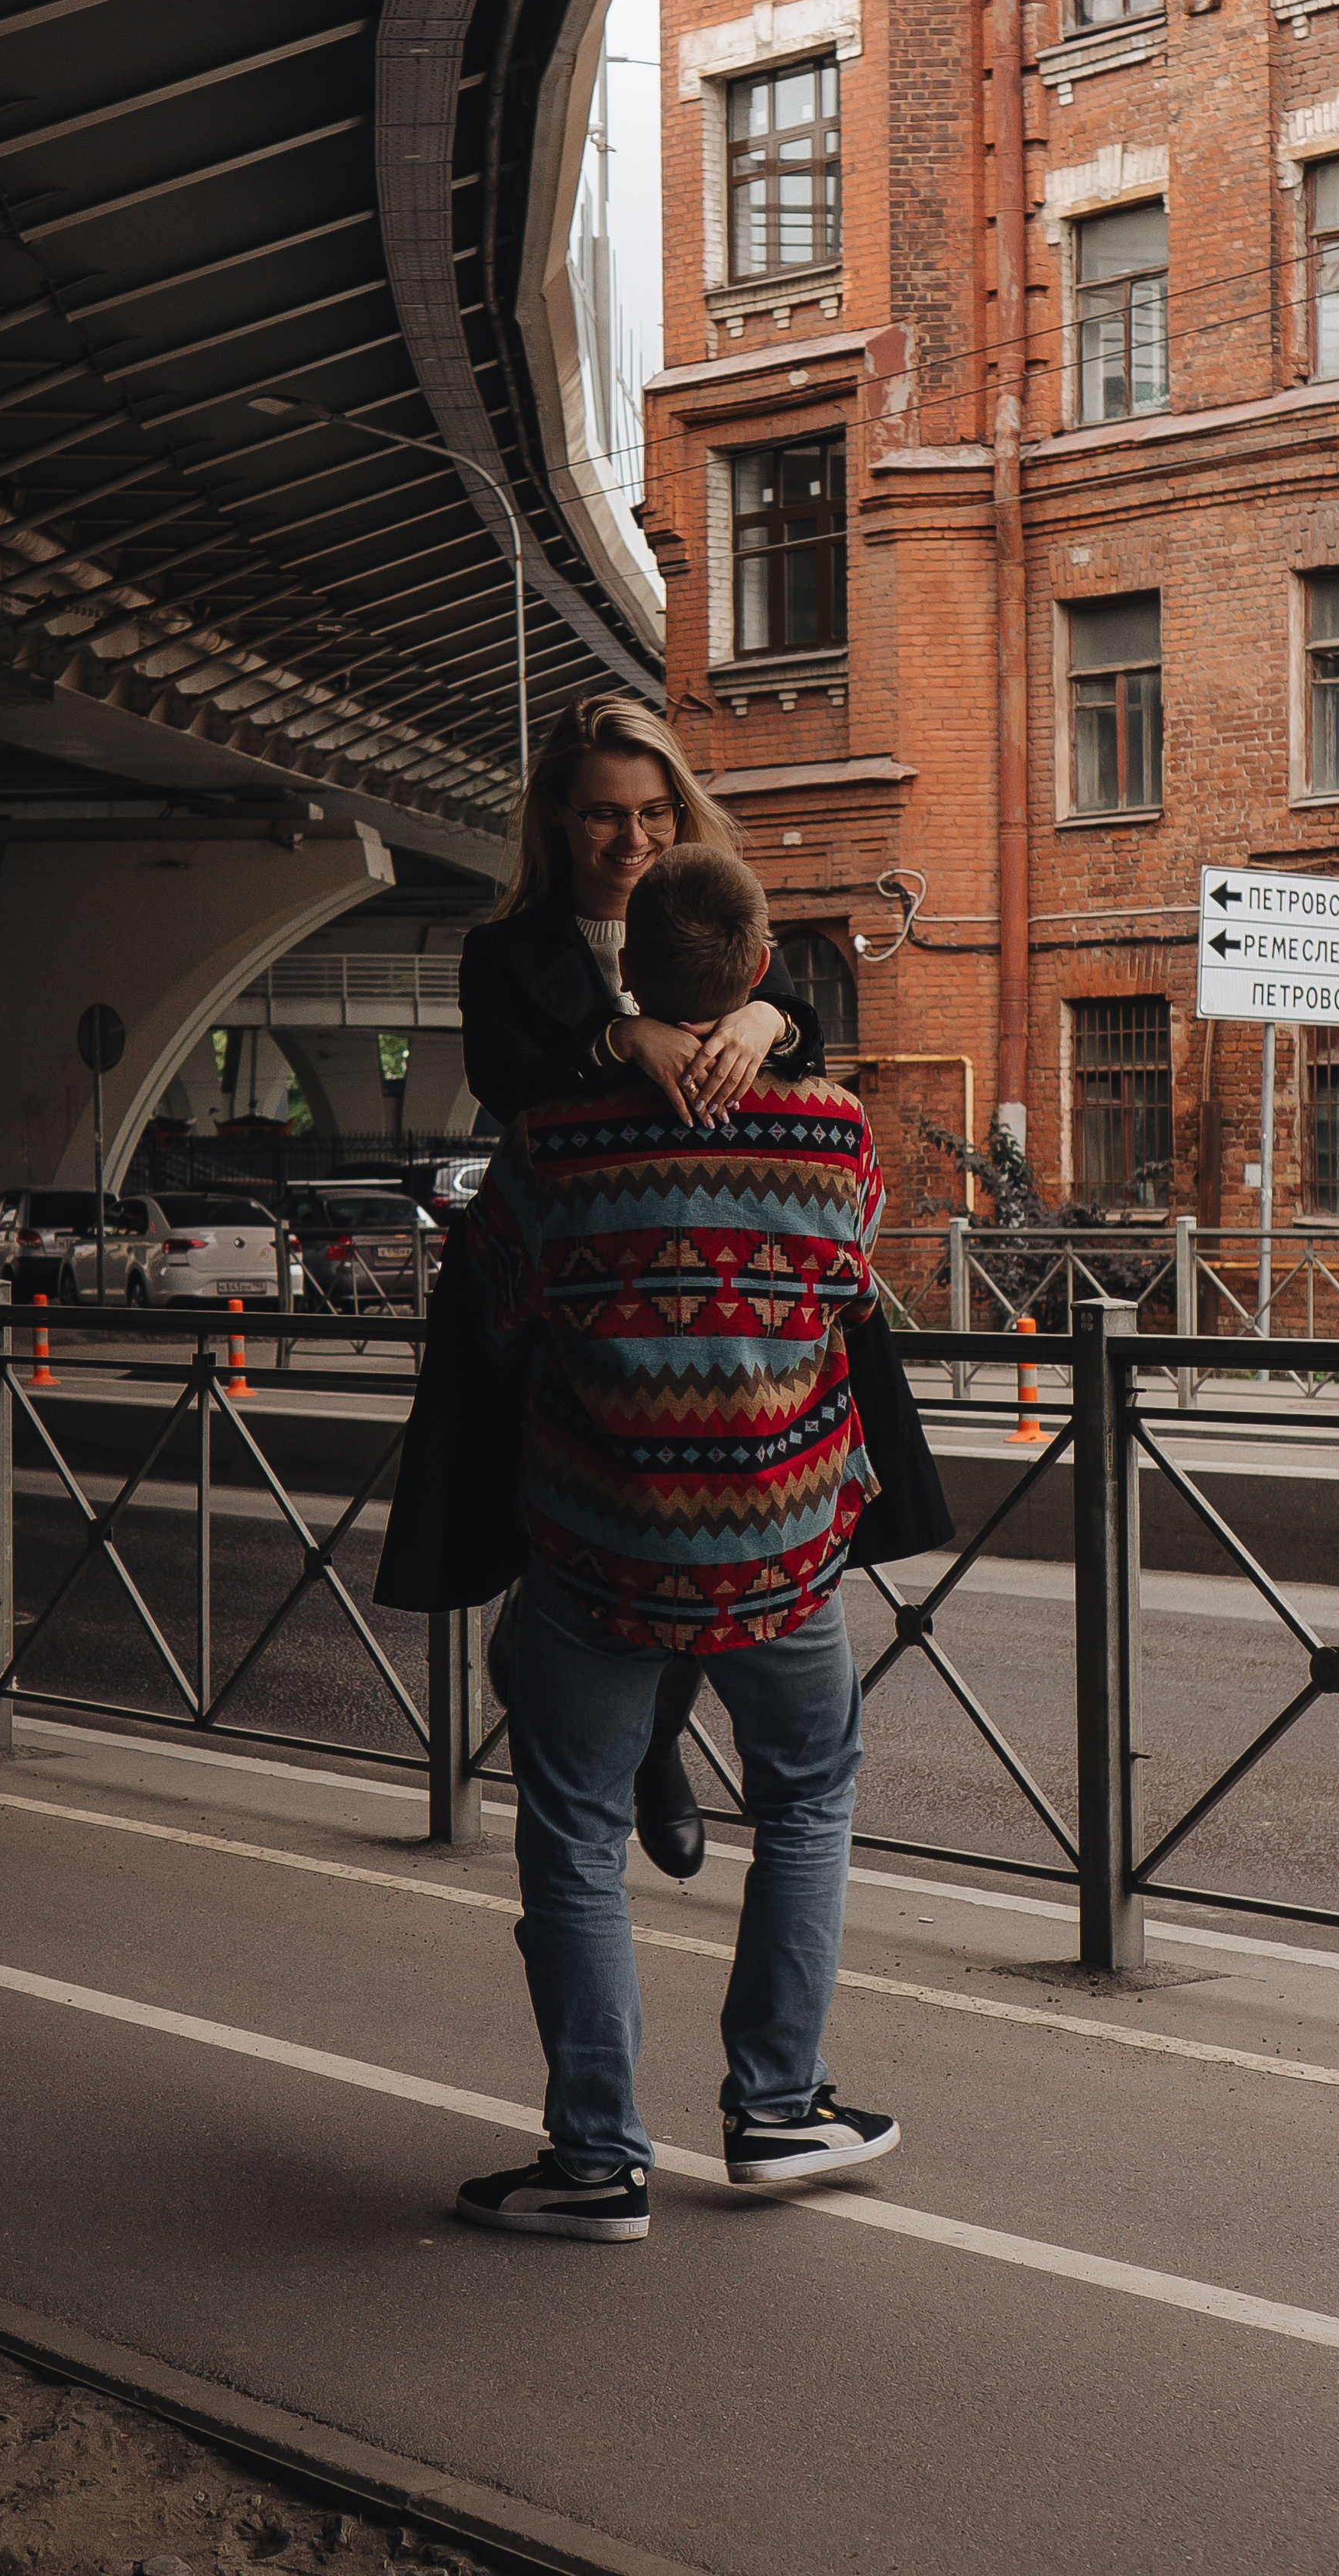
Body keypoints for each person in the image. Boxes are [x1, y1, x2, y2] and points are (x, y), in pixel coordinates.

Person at [454, 844, 900, 2243]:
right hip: (784, 1555)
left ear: (628, 978)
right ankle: (777, 2108)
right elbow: (851, 1293)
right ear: (763, 973)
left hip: (598, 1548)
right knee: (809, 1801)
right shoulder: (831, 1134)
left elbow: (503, 1314)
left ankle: (594, 2159)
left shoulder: (554, 1144)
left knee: (575, 1834)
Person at [456, 696, 824, 1882]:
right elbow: (509, 1082)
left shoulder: (713, 908)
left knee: (684, 1553)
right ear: (559, 822)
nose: (634, 842)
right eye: (606, 817)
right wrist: (618, 1043)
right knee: (566, 1569)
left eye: (656, 813)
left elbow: (807, 1023)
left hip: (725, 1307)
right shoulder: (507, 953)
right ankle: (638, 1752)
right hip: (571, 1310)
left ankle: (654, 1743)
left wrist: (766, 1015)